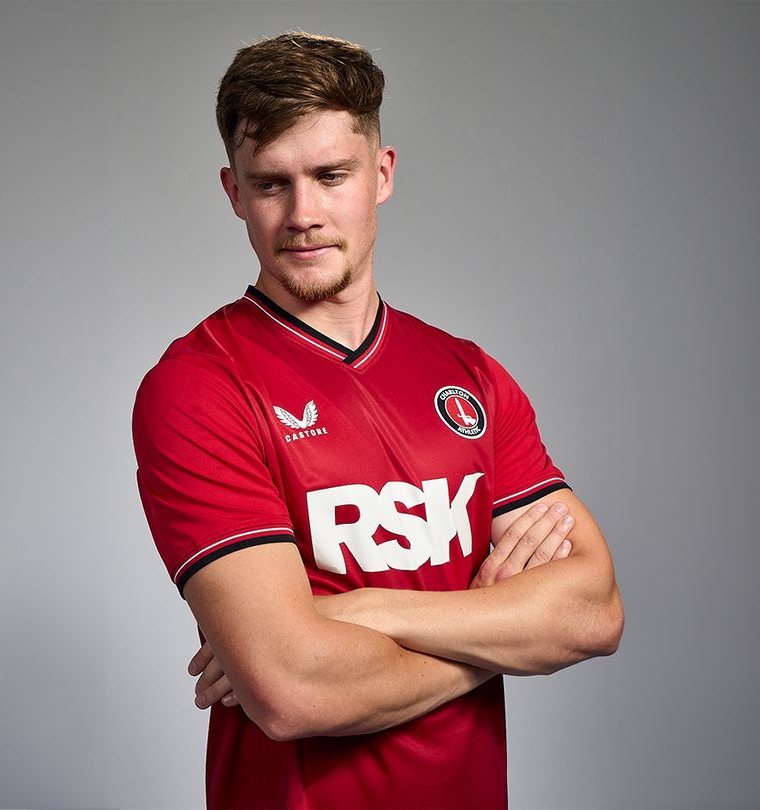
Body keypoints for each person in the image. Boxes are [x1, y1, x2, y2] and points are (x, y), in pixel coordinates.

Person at [132, 32, 623, 809]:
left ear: (382, 173)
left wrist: (358, 611)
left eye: (331, 176)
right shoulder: (199, 387)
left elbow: (592, 612)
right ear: (233, 192)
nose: (303, 214)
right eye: (271, 184)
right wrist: (504, 635)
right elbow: (292, 690)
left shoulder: (470, 376)